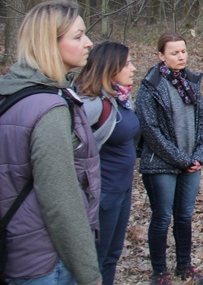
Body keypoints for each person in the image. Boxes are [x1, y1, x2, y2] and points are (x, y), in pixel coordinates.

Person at [0, 1, 101, 285]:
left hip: (16, 251)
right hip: (46, 261)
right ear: (49, 43)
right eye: (78, 36)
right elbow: (61, 200)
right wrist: (89, 273)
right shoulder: (49, 108)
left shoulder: (9, 93)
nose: (89, 43)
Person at [137, 32, 203, 285]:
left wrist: (199, 155)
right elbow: (150, 129)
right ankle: (159, 273)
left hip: (191, 163)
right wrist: (180, 159)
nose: (181, 57)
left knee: (184, 216)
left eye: (183, 51)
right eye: (174, 53)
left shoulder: (191, 82)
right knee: (162, 217)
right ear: (161, 56)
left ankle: (184, 266)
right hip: (161, 164)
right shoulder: (151, 85)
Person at [77, 42, 140, 285]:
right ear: (109, 68)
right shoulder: (91, 104)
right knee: (98, 258)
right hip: (104, 193)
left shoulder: (120, 96)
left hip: (122, 189)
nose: (133, 68)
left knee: (113, 254)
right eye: (126, 64)